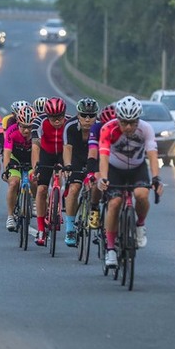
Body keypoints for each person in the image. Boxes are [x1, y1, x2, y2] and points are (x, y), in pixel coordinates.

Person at [97, 96, 164, 267]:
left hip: (137, 168)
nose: (128, 127)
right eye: (124, 122)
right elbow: (103, 156)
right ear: (117, 119)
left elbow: (152, 154)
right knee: (114, 203)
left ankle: (140, 224)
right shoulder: (108, 129)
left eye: (132, 122)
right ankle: (111, 249)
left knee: (142, 195)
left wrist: (156, 178)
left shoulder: (146, 129)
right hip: (114, 169)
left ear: (138, 120)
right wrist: (103, 178)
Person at [31, 97, 70, 246]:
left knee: (68, 176)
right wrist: (36, 168)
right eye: (53, 118)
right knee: (41, 190)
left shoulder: (69, 122)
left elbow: (73, 146)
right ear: (47, 115)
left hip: (63, 153)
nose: (57, 121)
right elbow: (35, 146)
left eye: (60, 117)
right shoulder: (38, 122)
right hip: (46, 154)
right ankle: (41, 229)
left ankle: (62, 200)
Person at [61, 97, 99, 247]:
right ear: (78, 115)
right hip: (76, 158)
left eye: (91, 116)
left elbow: (104, 150)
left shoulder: (100, 128)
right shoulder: (69, 127)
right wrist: (68, 166)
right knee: (74, 188)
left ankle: (96, 217)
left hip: (93, 156)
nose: (87, 119)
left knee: (97, 187)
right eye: (84, 115)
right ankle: (70, 228)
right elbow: (67, 148)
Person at [2, 105, 38, 231]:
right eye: (23, 126)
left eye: (29, 127)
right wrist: (6, 169)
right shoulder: (12, 131)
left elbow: (38, 152)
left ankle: (34, 200)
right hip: (15, 158)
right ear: (18, 123)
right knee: (14, 183)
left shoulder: (37, 132)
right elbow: (7, 152)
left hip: (31, 158)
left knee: (34, 178)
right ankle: (10, 216)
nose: (26, 131)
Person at [85, 103, 116, 229]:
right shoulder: (96, 128)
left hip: (117, 159)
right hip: (101, 156)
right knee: (97, 180)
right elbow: (93, 151)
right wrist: (91, 172)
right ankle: (94, 206)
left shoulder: (124, 130)